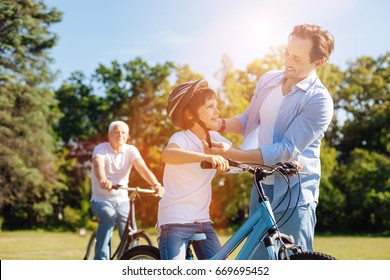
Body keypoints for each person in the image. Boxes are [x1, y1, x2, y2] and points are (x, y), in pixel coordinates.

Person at [206, 24, 335, 258]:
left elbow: (286, 150)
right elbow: (248, 120)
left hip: (295, 194)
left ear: (318, 62)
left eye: (296, 58)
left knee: (295, 263)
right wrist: (220, 124)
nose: (287, 61)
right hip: (262, 187)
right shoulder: (268, 81)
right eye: (286, 52)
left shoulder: (318, 100)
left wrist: (232, 153)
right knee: (257, 264)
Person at [157, 80, 231, 260]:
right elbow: (168, 155)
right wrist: (206, 157)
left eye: (216, 105)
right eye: (210, 106)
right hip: (175, 222)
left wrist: (278, 164)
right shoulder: (182, 138)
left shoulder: (214, 137)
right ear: (190, 114)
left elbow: (240, 156)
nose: (217, 111)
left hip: (202, 222)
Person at [90, 120, 164, 260]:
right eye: (116, 132)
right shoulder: (100, 149)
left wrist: (156, 184)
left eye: (123, 132)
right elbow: (97, 166)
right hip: (101, 199)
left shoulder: (131, 150)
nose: (120, 135)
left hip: (123, 198)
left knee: (130, 230)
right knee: (109, 216)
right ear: (109, 134)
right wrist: (103, 180)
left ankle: (128, 259)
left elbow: (142, 168)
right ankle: (100, 261)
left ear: (128, 135)